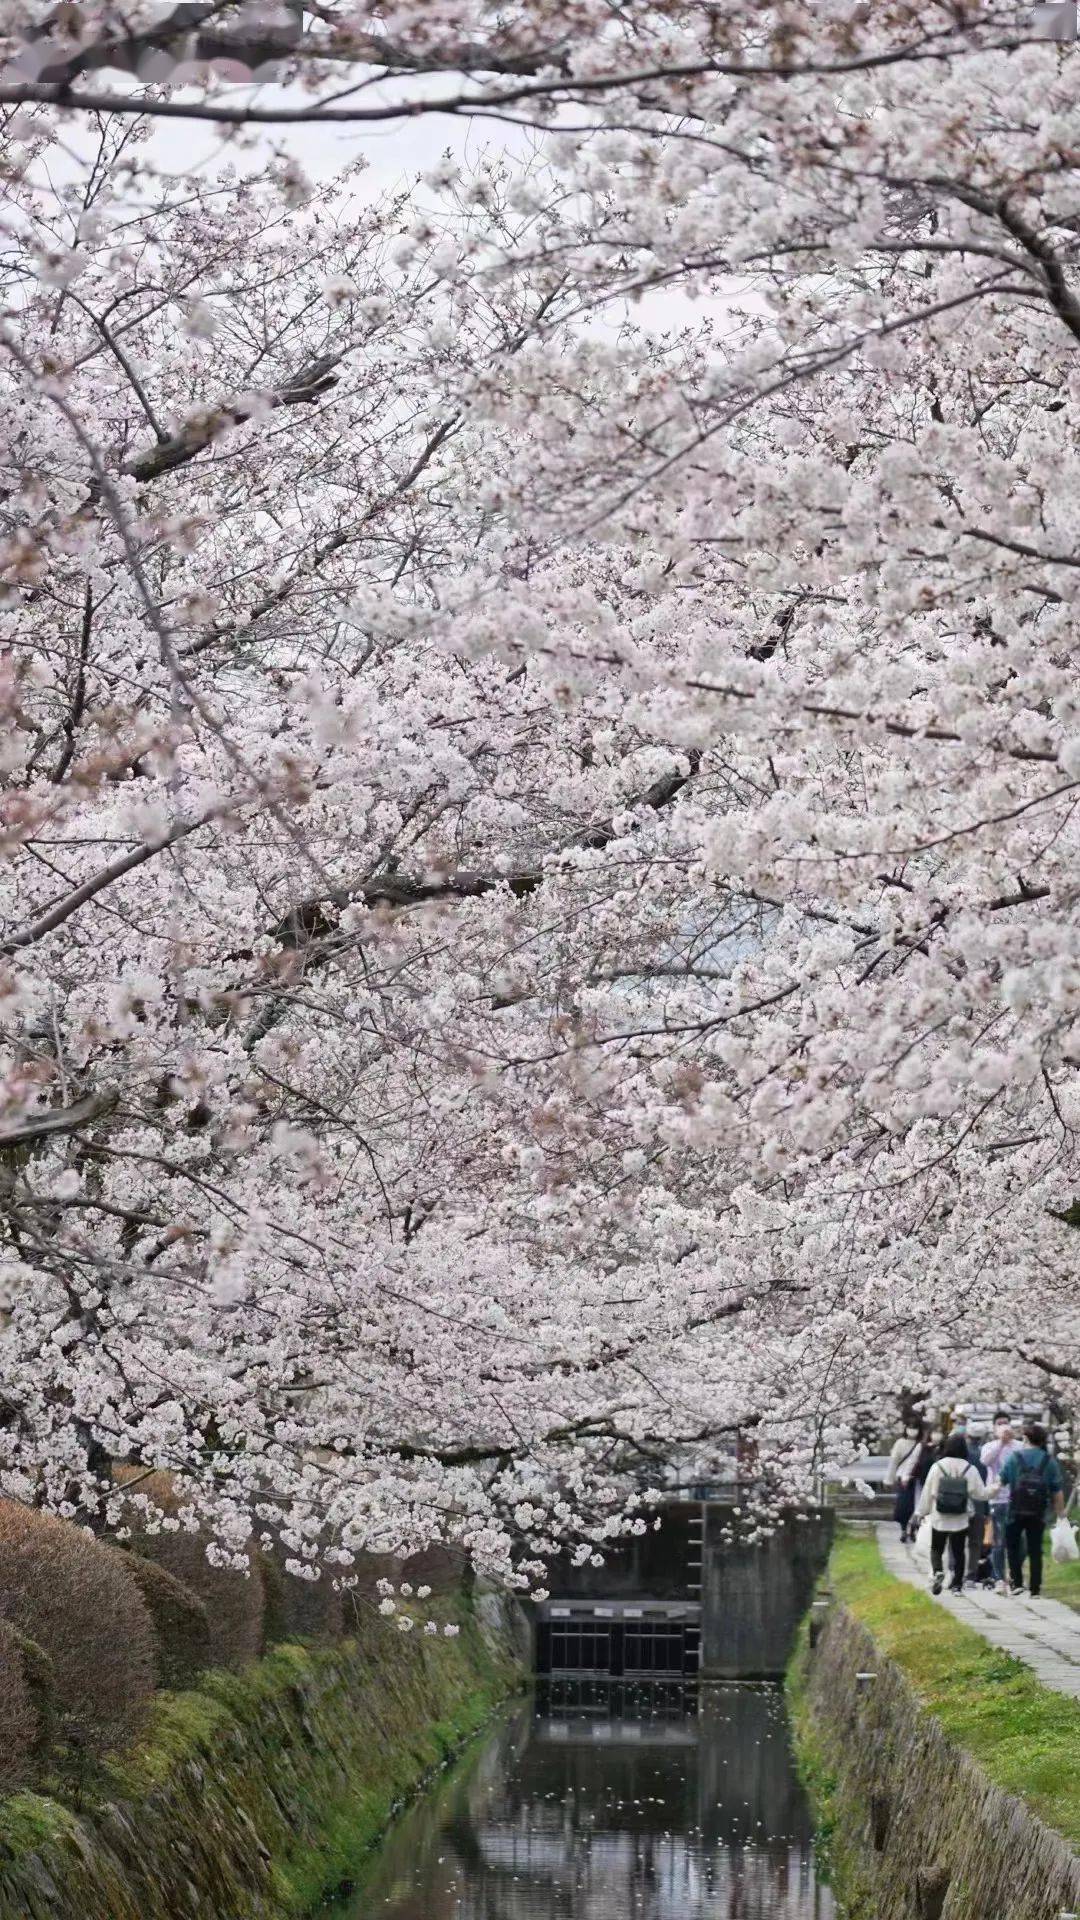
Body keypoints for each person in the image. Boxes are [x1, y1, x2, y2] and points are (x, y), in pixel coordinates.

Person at [917, 1434, 988, 1594]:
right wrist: (995, 1489)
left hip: (939, 1515)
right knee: (958, 1551)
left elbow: (927, 1491)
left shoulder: (938, 1467)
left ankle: (937, 1571)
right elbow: (981, 1494)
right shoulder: (970, 1469)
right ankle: (957, 1585)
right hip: (960, 1516)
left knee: (936, 1547)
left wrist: (921, 1512)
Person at [1001, 1422, 1066, 1598]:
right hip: (1038, 1512)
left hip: (1015, 1510)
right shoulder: (1049, 1461)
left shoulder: (1015, 1457)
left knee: (1013, 1547)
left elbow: (1002, 1480)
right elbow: (1057, 1492)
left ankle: (1017, 1583)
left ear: (1026, 1438)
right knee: (1035, 1549)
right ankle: (1035, 1589)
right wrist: (1061, 1514)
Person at [980, 1416, 1018, 1595]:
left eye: (1006, 1423)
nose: (1003, 1426)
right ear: (994, 1427)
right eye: (999, 1424)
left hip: (1017, 1499)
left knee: (1018, 1540)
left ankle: (1014, 1575)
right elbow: (986, 1461)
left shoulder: (1019, 1446)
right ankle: (999, 1578)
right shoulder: (990, 1446)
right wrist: (1001, 1444)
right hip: (997, 1499)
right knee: (999, 1541)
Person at [885, 1423, 926, 1542]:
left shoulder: (922, 1444)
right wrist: (889, 1479)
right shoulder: (900, 1443)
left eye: (915, 1428)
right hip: (902, 1479)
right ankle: (904, 1530)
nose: (912, 1430)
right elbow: (893, 1462)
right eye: (911, 1427)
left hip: (917, 1479)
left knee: (917, 1506)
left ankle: (913, 1529)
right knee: (904, 1506)